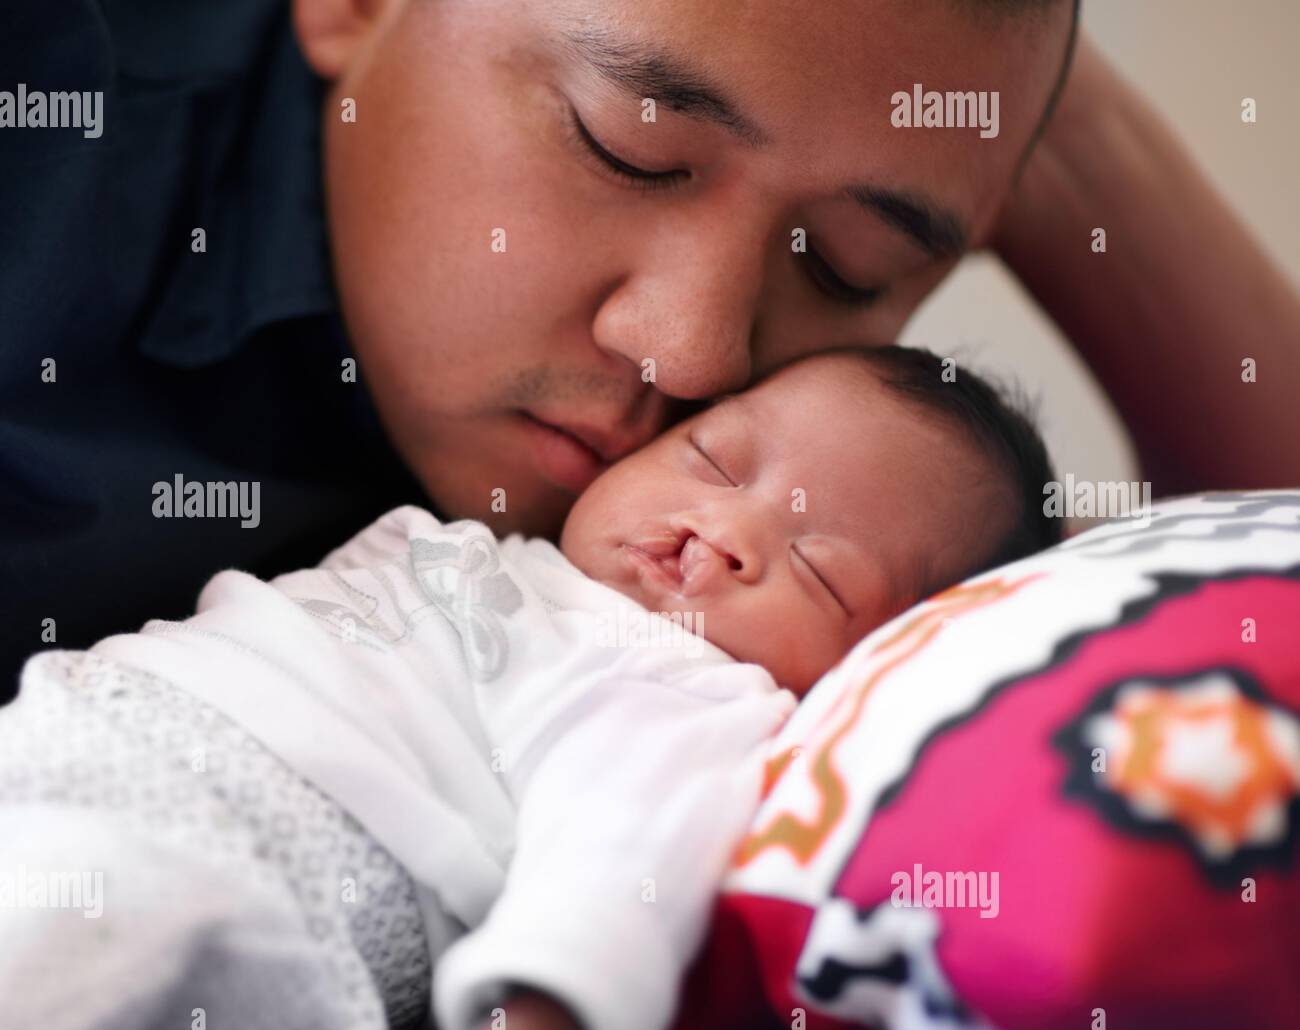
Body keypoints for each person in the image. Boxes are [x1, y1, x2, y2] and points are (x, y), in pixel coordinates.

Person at [3, 0, 1297, 699]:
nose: (687, 351)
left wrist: (1069, 144)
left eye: (852, 264)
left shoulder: (758, 524)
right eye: (628, 147)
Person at [0, 346, 1058, 1030]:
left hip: (248, 874)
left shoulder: (682, 687)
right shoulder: (496, 552)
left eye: (819, 570)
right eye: (712, 459)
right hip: (74, 728)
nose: (724, 531)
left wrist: (542, 1020)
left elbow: (625, 852)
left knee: (80, 907)